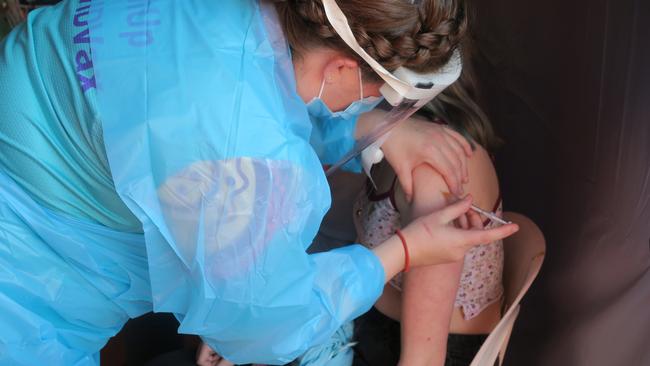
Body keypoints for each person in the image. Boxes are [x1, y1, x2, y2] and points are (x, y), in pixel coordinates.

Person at [0, 0, 518, 365]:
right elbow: (264, 321)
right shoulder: (244, 155)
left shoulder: (241, 18)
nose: (379, 107)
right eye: (377, 96)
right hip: (24, 296)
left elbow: (256, 82)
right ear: (341, 66)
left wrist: (356, 126)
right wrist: (404, 250)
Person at [353, 61, 505, 366]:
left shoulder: (432, 167)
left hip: (414, 350)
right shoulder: (405, 145)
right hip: (376, 332)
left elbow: (423, 360)